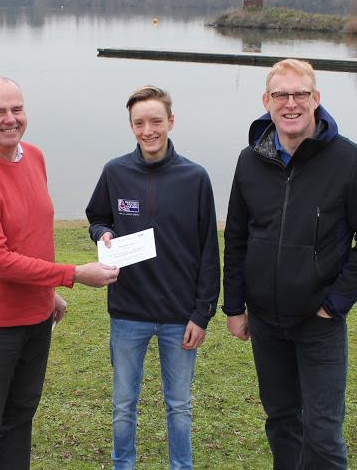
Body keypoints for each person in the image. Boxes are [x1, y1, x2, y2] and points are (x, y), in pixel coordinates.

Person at [223, 59, 357, 469]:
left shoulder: (351, 161)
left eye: (300, 94)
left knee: (322, 435)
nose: (291, 103)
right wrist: (234, 306)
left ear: (316, 99)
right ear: (267, 101)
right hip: (265, 320)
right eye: (281, 95)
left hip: (319, 323)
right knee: (282, 423)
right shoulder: (250, 161)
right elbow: (237, 237)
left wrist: (334, 304)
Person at [0, 77, 119, 470]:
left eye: (17, 109)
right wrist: (71, 274)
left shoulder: (34, 156)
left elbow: (30, 236)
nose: (10, 119)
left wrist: (46, 293)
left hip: (36, 318)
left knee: (19, 421)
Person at [86, 86, 220, 469]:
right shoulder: (115, 172)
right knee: (123, 404)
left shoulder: (195, 177)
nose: (148, 130)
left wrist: (202, 314)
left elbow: (209, 252)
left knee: (179, 406)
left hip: (180, 317)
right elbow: (98, 218)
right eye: (139, 123)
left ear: (171, 122)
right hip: (128, 313)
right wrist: (102, 234)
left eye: (156, 121)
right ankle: (122, 465)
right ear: (131, 126)